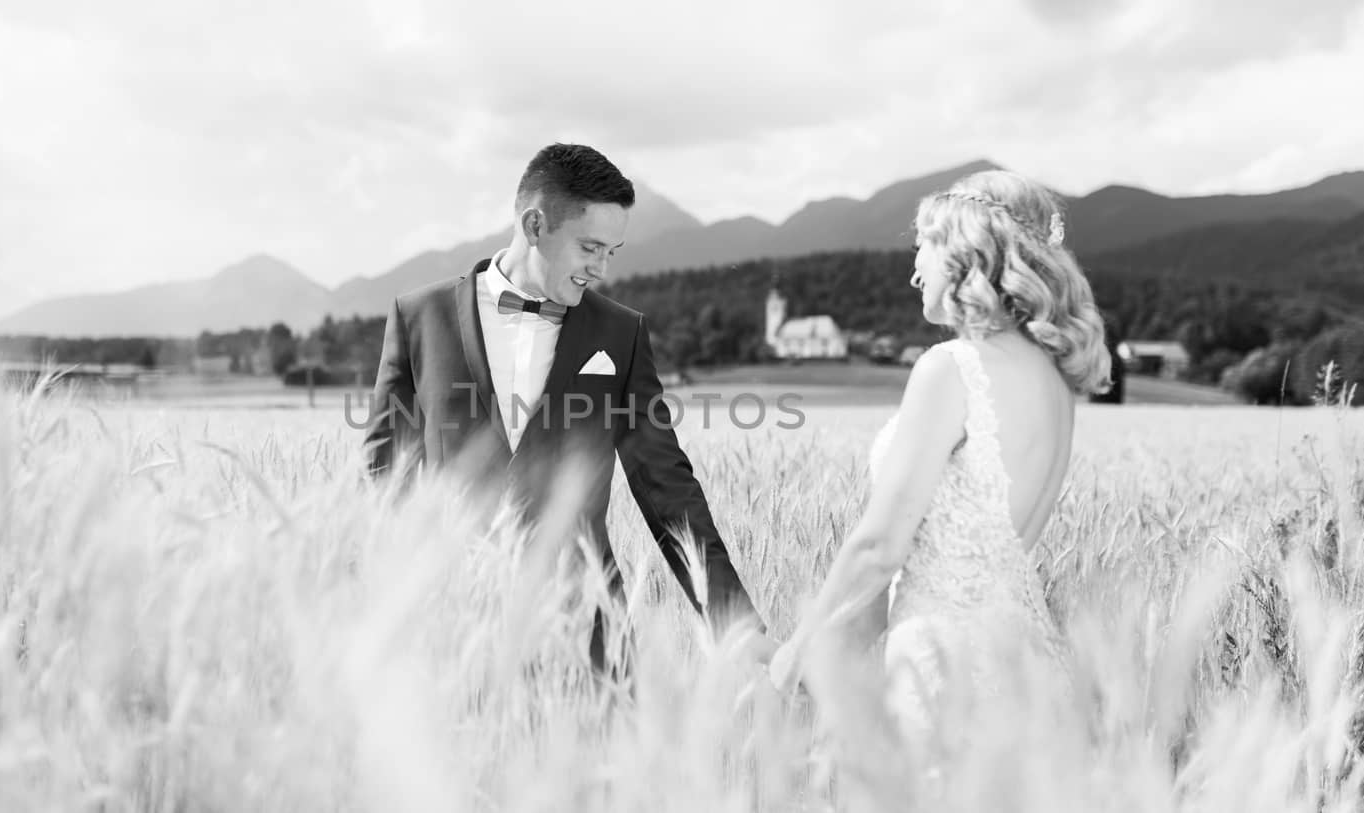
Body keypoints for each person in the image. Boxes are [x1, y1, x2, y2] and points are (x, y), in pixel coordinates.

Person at [364, 143, 772, 679]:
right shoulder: (418, 317)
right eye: (589, 248)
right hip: (454, 631)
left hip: (590, 632)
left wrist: (732, 619)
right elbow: (383, 483)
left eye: (612, 251)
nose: (601, 269)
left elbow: (666, 485)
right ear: (535, 225)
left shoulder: (621, 334)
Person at [768, 170, 1111, 757]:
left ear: (963, 252)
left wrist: (798, 652)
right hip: (1028, 664)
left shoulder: (951, 368)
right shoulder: (1054, 381)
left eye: (921, 247)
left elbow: (881, 549)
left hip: (941, 668)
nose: (913, 270)